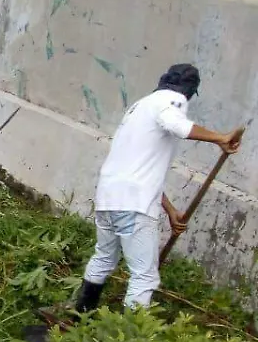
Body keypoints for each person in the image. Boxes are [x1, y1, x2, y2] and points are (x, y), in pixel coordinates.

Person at [74, 64, 241, 312]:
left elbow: (138, 170)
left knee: (104, 258)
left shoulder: (140, 106)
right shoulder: (172, 101)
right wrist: (221, 137)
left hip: (109, 199)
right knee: (144, 276)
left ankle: (80, 317)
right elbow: (178, 125)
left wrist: (170, 210)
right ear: (190, 91)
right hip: (133, 205)